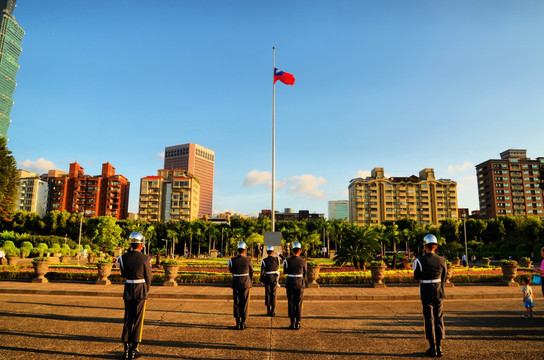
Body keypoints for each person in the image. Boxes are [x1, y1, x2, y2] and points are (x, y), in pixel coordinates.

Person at [118, 232, 152, 359]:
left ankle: (126, 349)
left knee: (128, 319)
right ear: (141, 245)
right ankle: (134, 348)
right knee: (138, 320)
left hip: (128, 289)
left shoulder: (123, 258)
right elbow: (148, 277)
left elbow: (123, 273)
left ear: (131, 244)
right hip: (140, 290)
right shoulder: (145, 258)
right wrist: (146, 290)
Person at [413, 234, 447, 358]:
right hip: (438, 290)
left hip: (426, 290)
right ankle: (439, 347)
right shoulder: (442, 260)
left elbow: (416, 277)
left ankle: (432, 348)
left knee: (429, 319)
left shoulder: (419, 260)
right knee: (439, 318)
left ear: (425, 247)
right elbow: (444, 276)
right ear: (436, 246)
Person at [228, 241, 254, 330]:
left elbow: (231, 270)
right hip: (246, 282)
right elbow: (251, 272)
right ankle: (243, 322)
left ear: (238, 250)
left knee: (237, 302)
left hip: (236, 282)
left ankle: (237, 322)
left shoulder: (232, 260)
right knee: (245, 302)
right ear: (245, 250)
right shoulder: (248, 260)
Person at [283, 241, 307, 330]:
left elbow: (285, 271)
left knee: (291, 303)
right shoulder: (303, 261)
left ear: (292, 251)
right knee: (299, 303)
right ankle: (298, 322)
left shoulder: (287, 260)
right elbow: (305, 272)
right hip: (300, 283)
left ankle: (292, 323)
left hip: (290, 283)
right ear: (300, 251)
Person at [260, 245, 285, 316]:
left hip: (267, 278)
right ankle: (273, 311)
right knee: (273, 293)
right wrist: (279, 254)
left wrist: (262, 280)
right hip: (274, 278)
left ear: (267, 252)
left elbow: (262, 272)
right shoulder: (277, 259)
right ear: (273, 252)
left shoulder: (264, 261)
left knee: (267, 293)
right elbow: (285, 260)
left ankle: (268, 311)